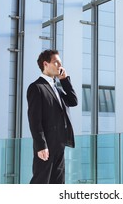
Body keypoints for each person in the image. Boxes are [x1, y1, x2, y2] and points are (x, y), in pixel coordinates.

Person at [27, 49, 78, 184]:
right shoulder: (36, 87)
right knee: (41, 181)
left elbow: (73, 101)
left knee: (58, 182)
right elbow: (34, 120)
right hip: (46, 145)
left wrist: (64, 80)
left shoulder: (58, 89)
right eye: (56, 62)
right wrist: (41, 145)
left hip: (60, 143)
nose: (60, 66)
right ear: (45, 64)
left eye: (60, 63)